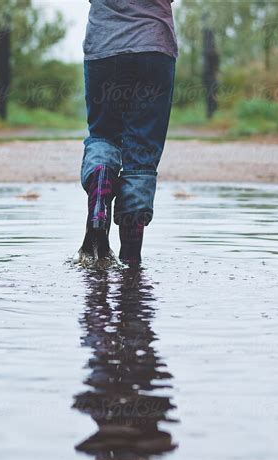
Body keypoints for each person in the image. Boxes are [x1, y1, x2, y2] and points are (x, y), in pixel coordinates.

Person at [79, 0, 178, 265]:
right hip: (153, 46)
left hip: (105, 47)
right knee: (142, 152)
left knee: (104, 135)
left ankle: (100, 194)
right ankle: (131, 260)